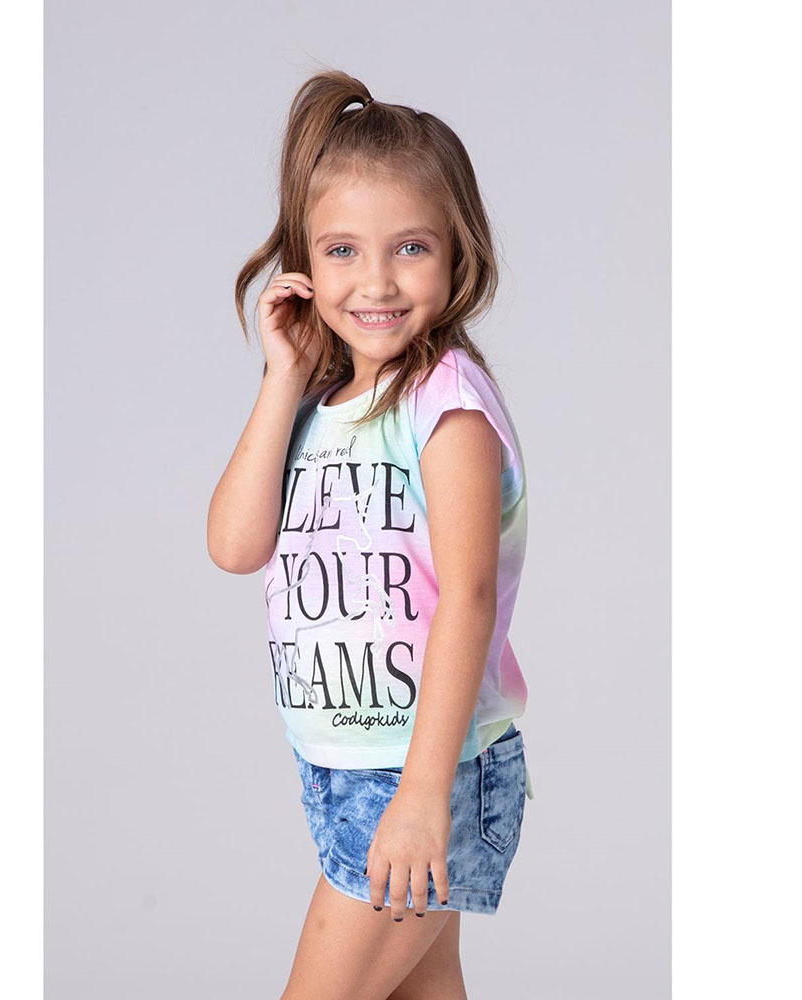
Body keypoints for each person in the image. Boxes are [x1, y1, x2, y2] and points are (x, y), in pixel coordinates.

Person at [208, 69, 534, 1000]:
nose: (377, 281)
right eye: (343, 250)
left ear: (458, 252)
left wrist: (423, 795)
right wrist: (282, 377)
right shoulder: (317, 403)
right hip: (345, 766)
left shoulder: (446, 407)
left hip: (422, 771)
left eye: (411, 247)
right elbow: (235, 545)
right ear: (305, 262)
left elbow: (468, 600)